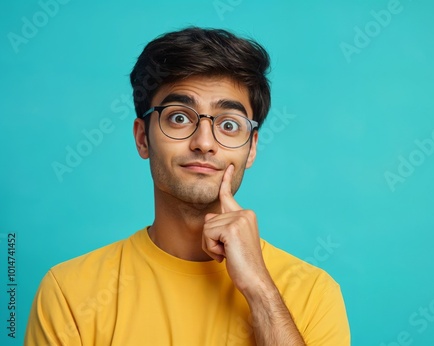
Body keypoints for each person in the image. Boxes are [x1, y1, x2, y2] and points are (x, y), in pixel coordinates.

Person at [25, 27, 350, 345]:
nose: (204, 143)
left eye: (228, 124)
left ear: (251, 149)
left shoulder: (313, 293)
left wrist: (260, 290)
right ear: (142, 138)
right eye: (179, 117)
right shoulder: (70, 292)